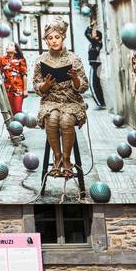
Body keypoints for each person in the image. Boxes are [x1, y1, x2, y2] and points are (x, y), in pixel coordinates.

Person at [35, 19, 88, 179]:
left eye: (57, 37)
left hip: (71, 101)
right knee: (52, 119)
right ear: (46, 40)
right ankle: (56, 157)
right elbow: (37, 87)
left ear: (63, 37)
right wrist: (46, 85)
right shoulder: (41, 60)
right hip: (50, 101)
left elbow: (84, 86)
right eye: (50, 38)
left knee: (66, 121)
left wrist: (75, 79)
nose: (54, 41)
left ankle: (67, 160)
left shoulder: (74, 59)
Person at [0, 42, 28, 115]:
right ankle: (10, 126)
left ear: (16, 50)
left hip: (18, 90)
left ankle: (18, 125)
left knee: (17, 111)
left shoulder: (21, 60)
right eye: (8, 44)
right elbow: (0, 73)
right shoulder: (2, 59)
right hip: (7, 90)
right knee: (9, 111)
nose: (8, 45)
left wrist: (25, 90)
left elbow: (24, 75)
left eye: (11, 45)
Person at [85, 19, 106, 109]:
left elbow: (86, 34)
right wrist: (91, 26)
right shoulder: (95, 43)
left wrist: (92, 26)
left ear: (97, 37)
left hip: (96, 65)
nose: (92, 35)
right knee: (96, 84)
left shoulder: (96, 43)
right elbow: (88, 34)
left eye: (94, 35)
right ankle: (101, 102)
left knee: (93, 84)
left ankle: (100, 103)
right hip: (95, 65)